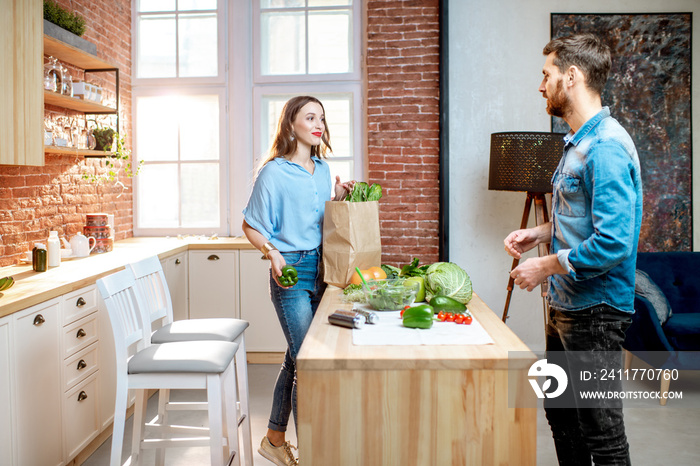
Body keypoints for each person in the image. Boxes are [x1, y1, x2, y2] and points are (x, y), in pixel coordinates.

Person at [503, 34, 642, 465]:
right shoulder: (578, 141)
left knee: (601, 432)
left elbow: (615, 242)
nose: (541, 85)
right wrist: (541, 233)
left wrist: (544, 266)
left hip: (595, 312)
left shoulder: (606, 147)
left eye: (547, 75)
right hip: (568, 305)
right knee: (562, 415)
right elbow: (583, 219)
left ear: (572, 76)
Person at [242, 95, 354, 466]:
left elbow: (319, 219)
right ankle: (314, 450)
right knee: (309, 361)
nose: (319, 123)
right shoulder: (273, 172)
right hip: (290, 269)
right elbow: (251, 225)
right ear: (291, 124)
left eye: (322, 117)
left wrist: (337, 196)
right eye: (310, 117)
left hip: (323, 268)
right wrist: (271, 252)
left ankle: (275, 438)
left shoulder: (322, 169)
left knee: (298, 357)